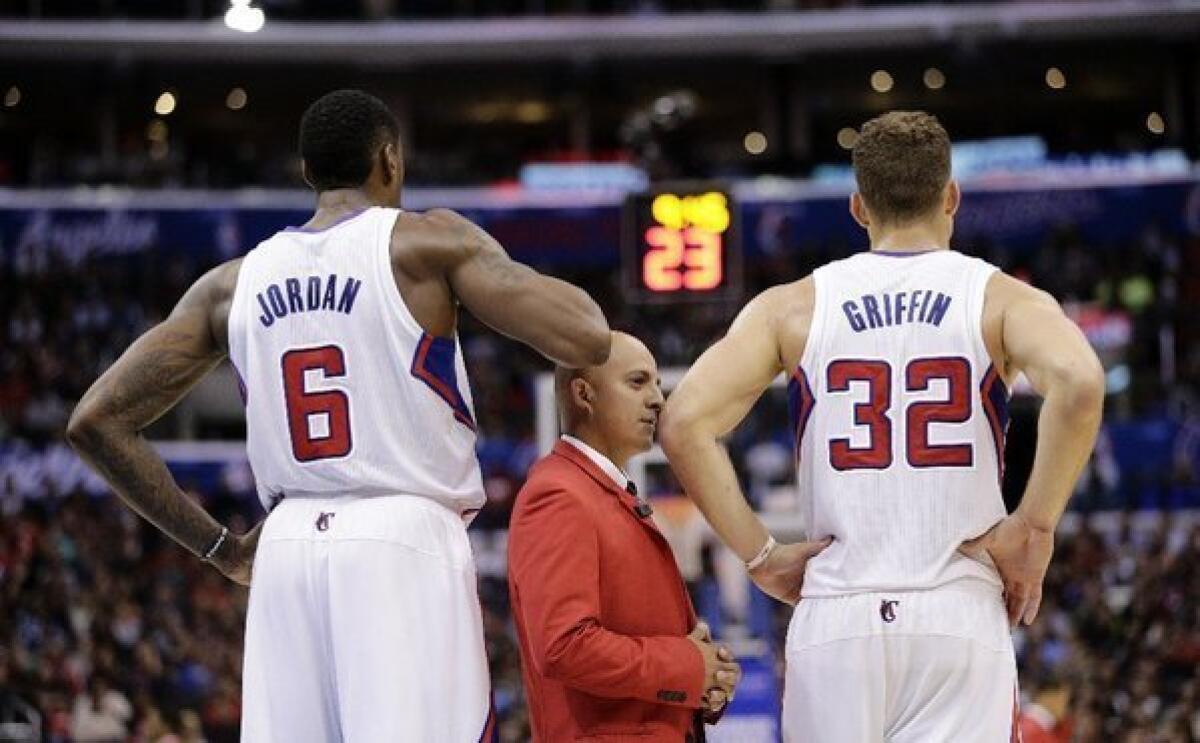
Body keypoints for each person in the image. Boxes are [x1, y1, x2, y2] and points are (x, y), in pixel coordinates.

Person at [66, 89, 611, 742]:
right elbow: (586, 336)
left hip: (285, 546)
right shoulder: (425, 244)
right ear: (389, 159)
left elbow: (95, 421)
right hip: (401, 535)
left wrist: (220, 548)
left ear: (307, 172)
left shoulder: (232, 282)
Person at [660, 110, 1105, 741]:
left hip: (838, 615)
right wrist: (1033, 525)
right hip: (958, 606)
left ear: (858, 207)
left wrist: (760, 556)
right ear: (951, 196)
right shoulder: (1001, 298)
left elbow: (682, 422)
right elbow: (1082, 383)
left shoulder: (792, 307)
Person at [508, 332, 739, 742]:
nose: (657, 399)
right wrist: (687, 665)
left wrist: (705, 679)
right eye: (637, 382)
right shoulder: (558, 494)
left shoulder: (603, 492)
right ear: (584, 394)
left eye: (657, 384)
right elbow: (564, 645)